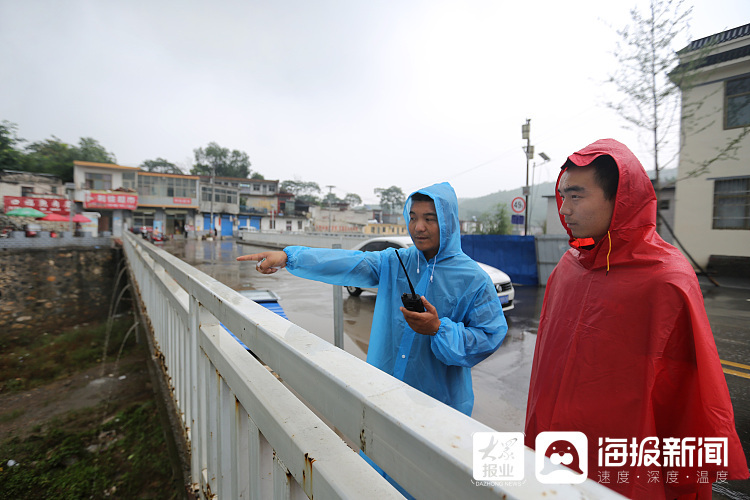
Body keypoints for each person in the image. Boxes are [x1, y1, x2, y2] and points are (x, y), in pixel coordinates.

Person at [524, 139, 748, 499]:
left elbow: (688, 398)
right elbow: (544, 373)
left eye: (577, 196)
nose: (564, 209)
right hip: (559, 454)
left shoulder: (666, 279)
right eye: (562, 195)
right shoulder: (567, 269)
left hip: (625, 469)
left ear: (620, 198)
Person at [237, 182, 508, 415]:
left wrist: (439, 329)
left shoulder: (473, 279)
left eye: (430, 218)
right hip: (384, 393)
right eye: (413, 217)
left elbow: (489, 336)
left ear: (448, 222)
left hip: (439, 408)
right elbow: (349, 262)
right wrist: (289, 257)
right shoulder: (396, 262)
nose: (419, 227)